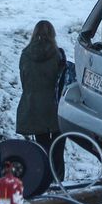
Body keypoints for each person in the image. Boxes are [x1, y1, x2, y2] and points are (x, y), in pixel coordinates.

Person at [16, 20, 67, 180]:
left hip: (33, 105)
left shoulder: (25, 54)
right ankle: (58, 178)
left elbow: (24, 80)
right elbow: (62, 80)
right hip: (54, 105)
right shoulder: (57, 54)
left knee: (42, 144)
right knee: (58, 142)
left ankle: (44, 177)